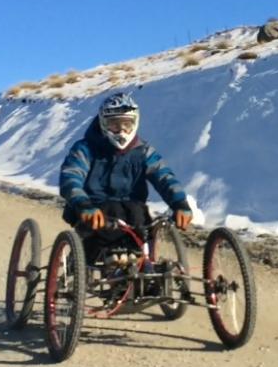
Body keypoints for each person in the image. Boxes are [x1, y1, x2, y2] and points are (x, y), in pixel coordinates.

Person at [59, 91, 192, 262]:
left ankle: (141, 276)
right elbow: (71, 177)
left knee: (139, 215)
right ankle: (81, 264)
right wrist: (83, 204)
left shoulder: (143, 151)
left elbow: (164, 176)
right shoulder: (85, 148)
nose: (121, 131)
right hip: (92, 210)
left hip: (132, 213)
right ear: (103, 123)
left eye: (126, 125)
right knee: (110, 212)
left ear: (135, 123)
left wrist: (179, 203)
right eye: (114, 125)